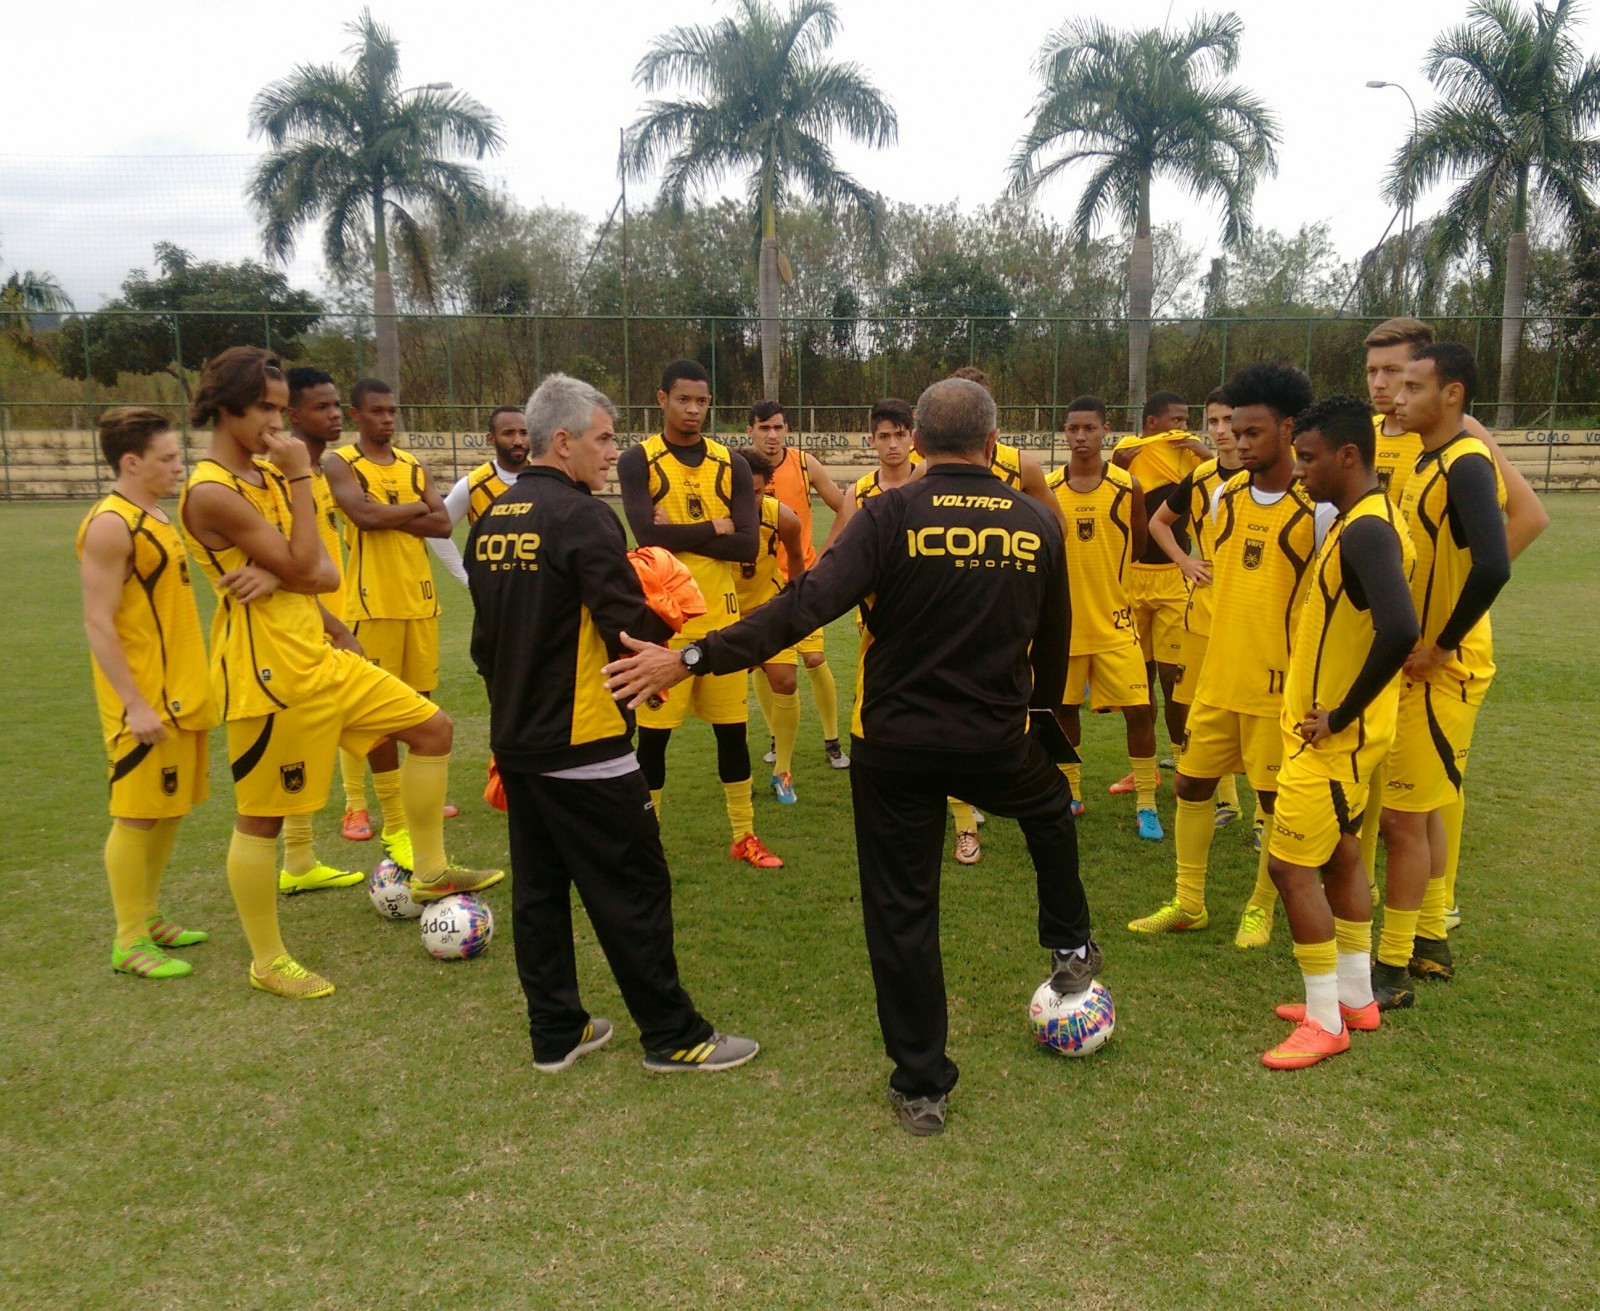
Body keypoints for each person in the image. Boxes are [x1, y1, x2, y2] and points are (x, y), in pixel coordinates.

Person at [603, 377, 1102, 1138]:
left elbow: (802, 605)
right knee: (1046, 806)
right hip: (995, 738)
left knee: (904, 913)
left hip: (895, 745)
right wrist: (1037, 718)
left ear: (922, 442)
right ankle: (1068, 935)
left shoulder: (889, 513)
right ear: (994, 439)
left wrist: (695, 653)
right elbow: (1057, 634)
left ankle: (923, 1086)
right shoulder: (1038, 517)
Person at [180, 347, 500, 999]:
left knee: (432, 727)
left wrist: (283, 570)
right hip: (269, 676)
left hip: (319, 655)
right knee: (260, 820)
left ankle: (431, 870)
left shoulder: (266, 477)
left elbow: (321, 571)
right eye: (267, 409)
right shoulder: (214, 490)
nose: (278, 423)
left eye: (279, 408)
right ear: (225, 408)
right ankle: (268, 960)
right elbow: (311, 564)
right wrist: (299, 486)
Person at [466, 373, 759, 1074]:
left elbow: (484, 646)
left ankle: (557, 1029)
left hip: (518, 742)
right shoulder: (583, 517)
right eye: (601, 438)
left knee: (540, 892)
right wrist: (673, 613)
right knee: (634, 886)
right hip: (585, 742)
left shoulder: (490, 521)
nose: (611, 452)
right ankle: (672, 1033)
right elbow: (627, 627)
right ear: (561, 441)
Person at [1128, 364, 1330, 949]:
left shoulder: (1315, 508)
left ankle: (1260, 907)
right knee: (1191, 786)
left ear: (1288, 430)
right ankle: (1189, 902)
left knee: (1272, 803)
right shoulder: (1222, 493)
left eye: (1251, 433)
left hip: (1277, 687)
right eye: (1233, 432)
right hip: (1218, 673)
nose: (1238, 443)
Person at [1358, 317, 1547, 934]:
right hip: (1398, 644)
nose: (1388, 388)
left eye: (1403, 376)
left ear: (1445, 385)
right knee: (1400, 795)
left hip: (1438, 658)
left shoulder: (1464, 447)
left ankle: (1427, 922)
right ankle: (1415, 915)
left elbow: (1509, 539)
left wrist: (1446, 628)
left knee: (1418, 803)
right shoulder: (1395, 445)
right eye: (1377, 373)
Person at [1261, 395, 1417, 1069]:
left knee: (1289, 866)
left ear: (1348, 455)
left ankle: (1325, 1020)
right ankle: (1355, 995)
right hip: (1350, 741)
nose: (1300, 471)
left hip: (1329, 743)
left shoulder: (1366, 531)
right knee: (1343, 854)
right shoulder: (1369, 520)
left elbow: (1402, 628)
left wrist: (1340, 714)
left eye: (1309, 456)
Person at [1374, 344, 1511, 1009]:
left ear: (1451, 394)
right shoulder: (1429, 459)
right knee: (1421, 807)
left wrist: (1440, 645)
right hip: (1428, 669)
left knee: (1400, 817)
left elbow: (1494, 564)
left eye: (1412, 385)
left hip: (1443, 673)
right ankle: (1431, 938)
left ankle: (1391, 966)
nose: (1397, 396)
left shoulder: (1465, 463)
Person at [615, 359, 783, 870]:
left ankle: (744, 835)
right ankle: (647, 841)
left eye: (702, 401)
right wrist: (715, 525)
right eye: (683, 399)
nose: (693, 410)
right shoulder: (637, 459)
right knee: (655, 738)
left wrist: (678, 532)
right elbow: (645, 537)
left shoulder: (729, 462)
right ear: (661, 397)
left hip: (722, 619)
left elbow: (747, 545)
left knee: (732, 732)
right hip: (664, 622)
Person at [78, 408, 220, 981]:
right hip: (145, 700)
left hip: (183, 694)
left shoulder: (157, 514)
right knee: (136, 815)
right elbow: (97, 622)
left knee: (169, 810)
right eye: (167, 459)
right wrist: (134, 703)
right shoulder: (111, 524)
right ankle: (128, 939)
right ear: (130, 462)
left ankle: (149, 915)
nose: (179, 466)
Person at [829, 399, 987, 864]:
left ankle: (963, 826)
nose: (893, 444)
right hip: (879, 633)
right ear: (872, 441)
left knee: (945, 725)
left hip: (935, 629)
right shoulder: (859, 492)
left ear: (913, 438)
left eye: (901, 434)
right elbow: (839, 554)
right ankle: (900, 827)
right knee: (886, 728)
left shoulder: (934, 484)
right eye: (884, 435)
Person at [323, 378, 457, 866]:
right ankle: (365, 808)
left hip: (420, 601)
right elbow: (361, 516)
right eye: (377, 411)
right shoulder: (341, 462)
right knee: (371, 712)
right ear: (355, 414)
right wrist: (414, 507)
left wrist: (389, 512)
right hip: (370, 602)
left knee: (417, 707)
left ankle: (413, 798)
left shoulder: (412, 464)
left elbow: (442, 524)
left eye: (392, 411)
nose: (387, 419)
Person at [1045, 396, 1162, 840]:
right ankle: (1071, 793)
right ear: (1065, 431)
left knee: (1139, 710)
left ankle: (1147, 804)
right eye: (1072, 429)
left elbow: (1140, 546)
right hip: (1064, 625)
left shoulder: (1127, 485)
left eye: (1088, 429)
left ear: (1104, 430)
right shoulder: (1048, 486)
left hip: (1115, 621)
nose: (1080, 437)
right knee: (1062, 711)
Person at [274, 367, 363, 894]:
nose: (335, 415)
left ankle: (305, 857)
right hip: (301, 626)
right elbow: (286, 557)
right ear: (294, 414)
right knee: (301, 735)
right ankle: (300, 856)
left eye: (336, 406)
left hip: (337, 610)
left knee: (347, 722)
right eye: (323, 407)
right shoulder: (283, 474)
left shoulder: (322, 469)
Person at [1146, 387, 1248, 834]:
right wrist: (1184, 560)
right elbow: (1158, 523)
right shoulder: (1203, 476)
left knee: (1251, 709)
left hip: (1254, 615)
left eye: (1230, 422)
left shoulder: (1270, 477)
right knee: (1199, 703)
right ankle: (1225, 799)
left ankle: (1266, 810)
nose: (1223, 431)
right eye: (1214, 422)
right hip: (1204, 609)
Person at [1112, 392, 1212, 789]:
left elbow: (1225, 471)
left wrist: (1202, 451)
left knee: (1174, 680)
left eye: (1187, 420)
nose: (1183, 428)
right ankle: (1144, 770)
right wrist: (1114, 465)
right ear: (1152, 421)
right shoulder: (1128, 450)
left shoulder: (1190, 456)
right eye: (1177, 419)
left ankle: (1184, 760)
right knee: (1138, 682)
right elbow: (1109, 481)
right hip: (1132, 579)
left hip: (1173, 578)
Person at [745, 401, 849, 771]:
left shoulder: (804, 464)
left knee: (815, 658)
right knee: (762, 664)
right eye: (764, 428)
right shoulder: (739, 471)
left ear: (786, 429)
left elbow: (844, 506)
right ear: (751, 432)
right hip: (757, 586)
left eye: (778, 428)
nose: (772, 436)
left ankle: (832, 740)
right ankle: (777, 737)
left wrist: (824, 556)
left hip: (801, 581)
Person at [736, 449, 810, 804]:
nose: (745, 496)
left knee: (785, 679)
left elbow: (796, 558)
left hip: (770, 607)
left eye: (753, 490)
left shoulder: (783, 517)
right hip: (727, 613)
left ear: (767, 487)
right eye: (738, 488)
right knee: (731, 700)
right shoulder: (716, 516)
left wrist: (795, 605)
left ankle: (783, 770)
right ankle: (737, 772)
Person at [427, 405, 532, 587]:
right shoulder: (474, 484)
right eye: (508, 433)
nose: (518, 440)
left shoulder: (546, 477)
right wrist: (467, 578)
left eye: (524, 433)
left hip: (541, 593)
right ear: (491, 438)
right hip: (495, 594)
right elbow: (435, 531)